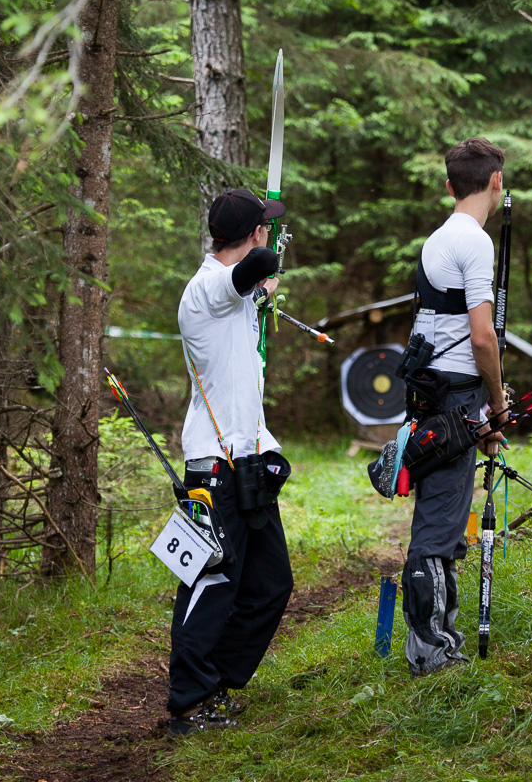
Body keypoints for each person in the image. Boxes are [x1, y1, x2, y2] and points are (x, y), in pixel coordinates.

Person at [167, 188, 295, 737]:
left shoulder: (237, 297)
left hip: (246, 463)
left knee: (271, 583)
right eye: (263, 226)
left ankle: (216, 682)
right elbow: (257, 266)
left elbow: (254, 281)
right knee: (211, 583)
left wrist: (263, 291)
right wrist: (265, 256)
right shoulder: (208, 289)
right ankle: (187, 703)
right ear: (252, 233)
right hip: (212, 468)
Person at [402, 137, 509, 676]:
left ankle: (438, 639)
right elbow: (482, 337)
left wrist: (482, 413)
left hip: (436, 393)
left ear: (449, 186)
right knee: (440, 525)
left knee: (442, 517)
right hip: (455, 395)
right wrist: (497, 401)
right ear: (496, 182)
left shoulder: (439, 238)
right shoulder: (475, 241)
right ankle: (431, 651)